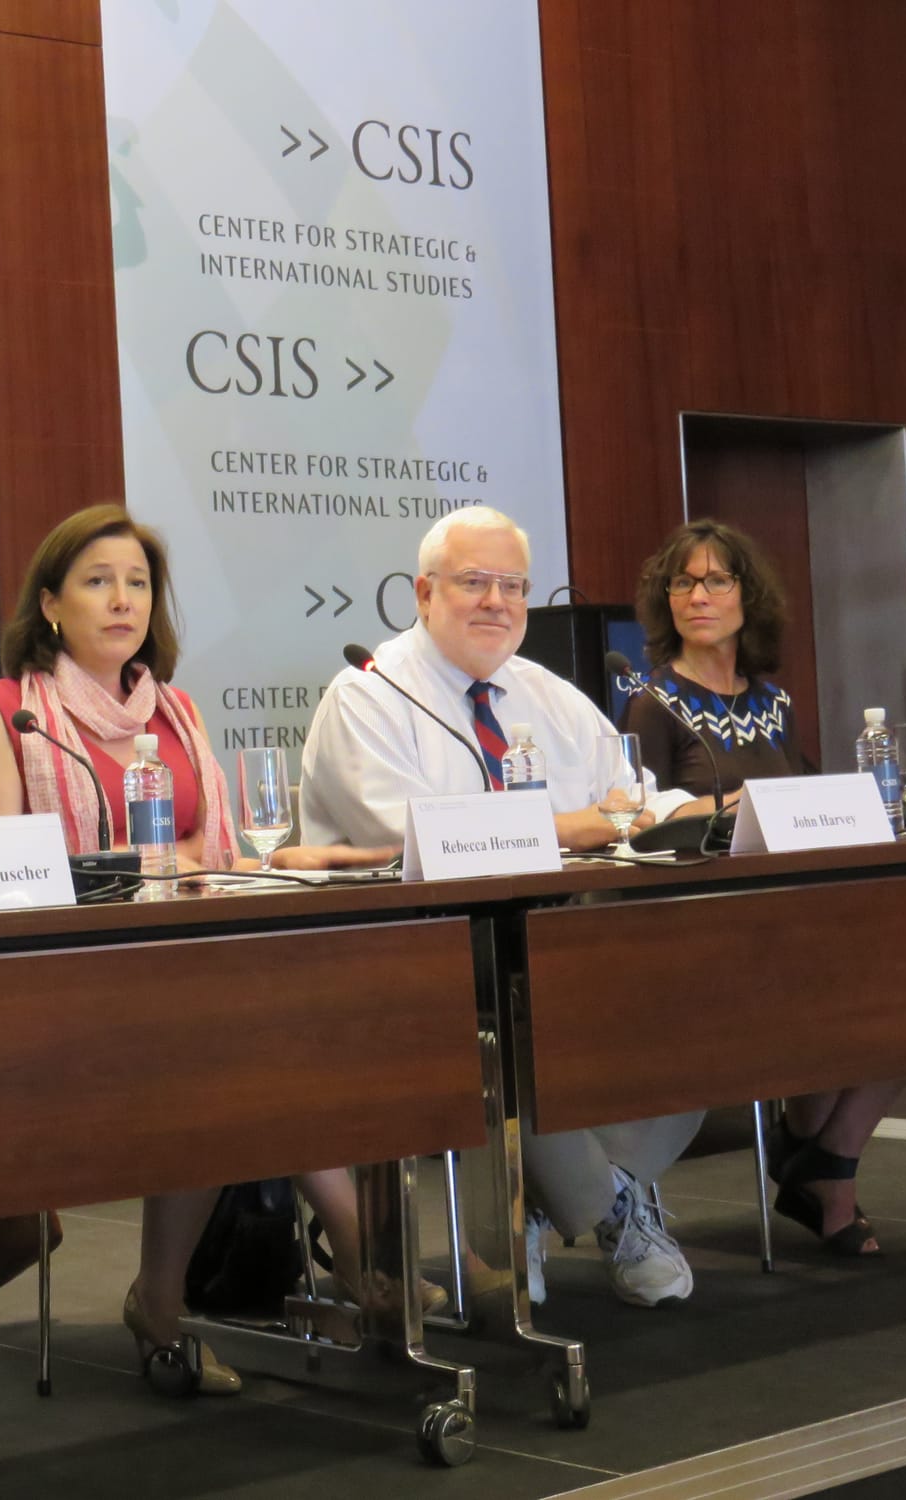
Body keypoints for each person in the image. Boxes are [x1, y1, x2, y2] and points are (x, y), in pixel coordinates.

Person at [0, 503, 430, 1400]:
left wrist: (285, 858)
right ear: (50, 604)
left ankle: (180, 1298)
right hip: (55, 994)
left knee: (264, 1034)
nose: (122, 600)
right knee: (229, 1045)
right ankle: (368, 1266)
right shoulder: (8, 715)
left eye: (137, 583)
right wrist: (133, 869)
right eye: (98, 581)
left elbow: (220, 860)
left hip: (181, 977)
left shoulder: (176, 710)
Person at [301, 505, 707, 1309]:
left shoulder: (548, 696)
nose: (496, 602)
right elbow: (411, 834)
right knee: (517, 1017)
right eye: (473, 583)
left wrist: (657, 814)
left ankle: (561, 1196)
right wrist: (579, 826)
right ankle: (612, 1206)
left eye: (512, 586)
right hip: (421, 961)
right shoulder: (370, 694)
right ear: (423, 593)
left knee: (690, 982)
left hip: (561, 942)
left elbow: (648, 804)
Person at [628, 518, 891, 1256]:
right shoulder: (653, 703)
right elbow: (639, 823)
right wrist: (721, 808)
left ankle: (821, 1149)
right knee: (841, 987)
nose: (698, 595)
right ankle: (824, 1169)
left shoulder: (774, 700)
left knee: (895, 981)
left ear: (750, 597)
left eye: (717, 579)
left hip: (797, 913)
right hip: (707, 928)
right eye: (683, 581)